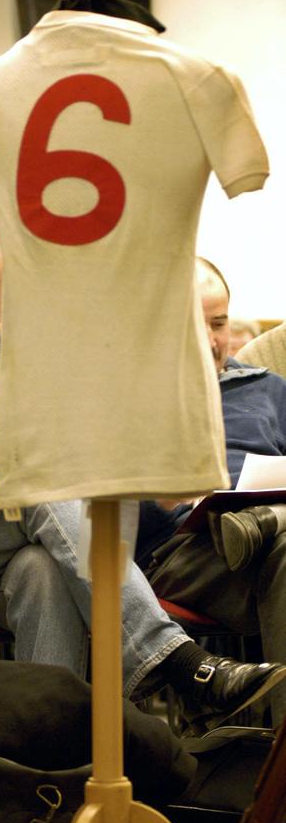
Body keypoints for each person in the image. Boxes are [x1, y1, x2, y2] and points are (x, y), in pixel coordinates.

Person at [0, 211, 286, 735]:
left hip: (13, 552)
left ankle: (40, 779)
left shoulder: (35, 363)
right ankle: (177, 663)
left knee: (43, 571)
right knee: (41, 486)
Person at [136, 256, 286, 726]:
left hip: (263, 551)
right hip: (184, 552)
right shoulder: (133, 398)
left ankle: (266, 522)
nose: (210, 339)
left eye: (218, 323)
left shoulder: (268, 390)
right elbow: (91, 516)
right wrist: (160, 498)